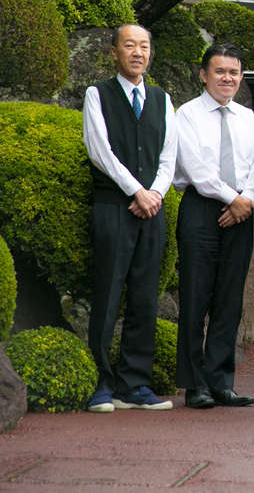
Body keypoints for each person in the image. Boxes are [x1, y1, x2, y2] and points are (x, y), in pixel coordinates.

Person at [82, 23, 177, 412]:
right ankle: (101, 382)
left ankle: (134, 384)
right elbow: (98, 149)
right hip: (113, 208)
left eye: (144, 46)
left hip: (151, 211)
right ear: (114, 52)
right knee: (107, 294)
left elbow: (169, 155)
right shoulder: (97, 94)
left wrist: (154, 193)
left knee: (144, 297)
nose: (138, 52)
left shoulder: (161, 98)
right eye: (129, 46)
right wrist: (134, 190)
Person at [173, 43, 254, 409]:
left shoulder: (246, 116)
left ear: (240, 76)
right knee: (196, 297)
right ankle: (195, 385)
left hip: (241, 212)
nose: (227, 78)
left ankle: (221, 381)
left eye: (233, 72)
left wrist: (246, 201)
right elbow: (197, 169)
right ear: (203, 74)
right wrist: (234, 199)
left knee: (230, 301)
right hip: (202, 208)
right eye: (219, 71)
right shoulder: (188, 114)